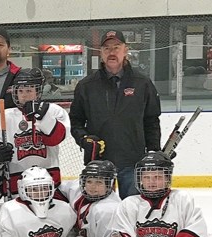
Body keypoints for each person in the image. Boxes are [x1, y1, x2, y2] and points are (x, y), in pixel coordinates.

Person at [69, 30, 162, 200]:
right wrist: (84, 139)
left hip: (133, 161)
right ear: (101, 53)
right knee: (101, 212)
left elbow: (151, 121)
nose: (111, 52)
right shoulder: (86, 86)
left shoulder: (142, 83)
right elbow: (75, 121)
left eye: (116, 47)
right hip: (98, 163)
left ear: (125, 50)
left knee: (132, 210)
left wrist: (154, 152)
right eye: (107, 48)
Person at [0, 68, 70, 199]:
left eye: (29, 91)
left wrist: (43, 116)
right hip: (16, 185)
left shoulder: (54, 111)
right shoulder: (4, 116)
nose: (24, 95)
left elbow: (55, 139)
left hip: (48, 186)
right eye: (20, 91)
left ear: (38, 91)